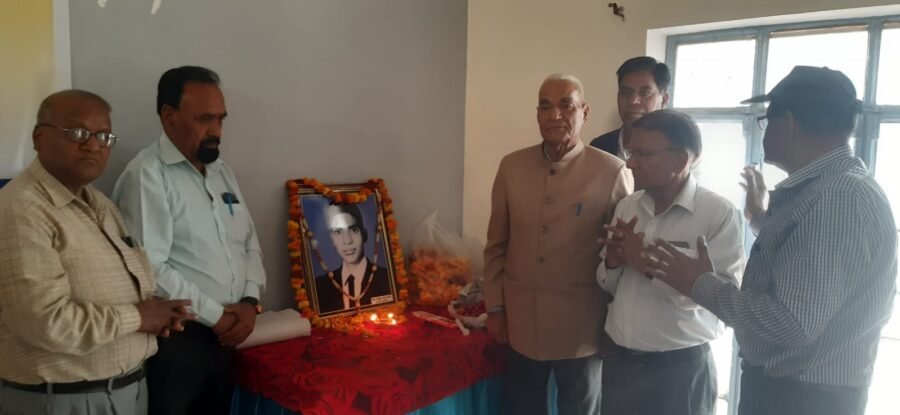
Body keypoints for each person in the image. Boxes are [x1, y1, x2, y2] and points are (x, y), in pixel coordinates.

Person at [647, 66, 897, 415]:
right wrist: (758, 218)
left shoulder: (837, 197)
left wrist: (699, 283)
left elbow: (791, 322)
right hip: (798, 392)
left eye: (766, 120)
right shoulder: (830, 189)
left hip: (803, 398)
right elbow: (802, 257)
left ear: (789, 123)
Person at [0, 90, 192, 415]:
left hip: (127, 389)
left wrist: (157, 313)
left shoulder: (100, 203)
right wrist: (139, 317)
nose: (93, 145)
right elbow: (45, 323)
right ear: (39, 137)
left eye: (104, 136)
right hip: (62, 399)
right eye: (77, 133)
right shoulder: (22, 209)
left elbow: (123, 289)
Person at [113, 66, 267, 415]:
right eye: (204, 119)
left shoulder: (221, 171)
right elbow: (150, 268)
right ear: (169, 116)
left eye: (221, 119)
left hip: (229, 333)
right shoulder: (147, 174)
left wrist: (249, 301)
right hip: (180, 339)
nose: (216, 131)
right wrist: (217, 317)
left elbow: (248, 242)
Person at [484, 73, 632, 415]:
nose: (555, 115)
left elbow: (619, 258)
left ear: (584, 112)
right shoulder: (512, 167)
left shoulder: (611, 171)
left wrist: (615, 325)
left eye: (566, 105)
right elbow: (496, 245)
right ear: (537, 114)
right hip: (522, 324)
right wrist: (495, 308)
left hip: (582, 330)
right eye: (545, 106)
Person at [596, 109, 744, 415]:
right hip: (621, 365)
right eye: (631, 152)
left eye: (643, 154)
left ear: (680, 160)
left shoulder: (717, 214)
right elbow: (608, 285)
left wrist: (645, 263)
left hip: (679, 372)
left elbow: (725, 303)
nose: (630, 163)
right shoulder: (627, 206)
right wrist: (613, 262)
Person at [314, 203, 393, 314]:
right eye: (338, 232)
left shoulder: (387, 279)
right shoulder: (320, 287)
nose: (347, 240)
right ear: (332, 239)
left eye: (354, 230)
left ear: (364, 234)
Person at [590, 56, 670, 158]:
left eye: (645, 93)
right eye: (626, 92)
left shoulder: (673, 151)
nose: (633, 101)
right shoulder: (599, 147)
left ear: (664, 100)